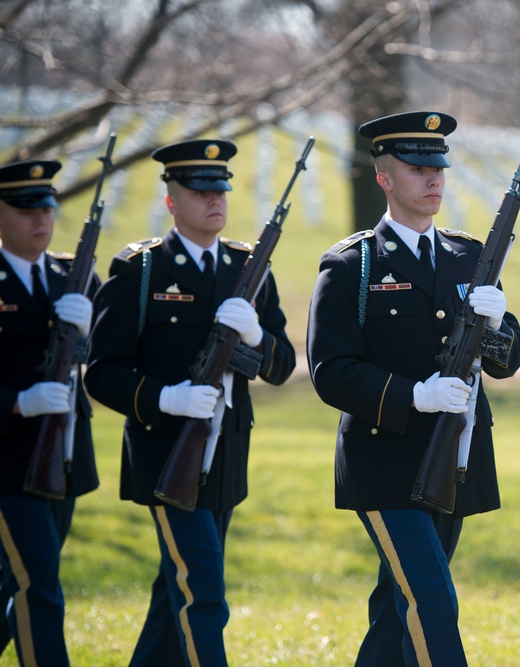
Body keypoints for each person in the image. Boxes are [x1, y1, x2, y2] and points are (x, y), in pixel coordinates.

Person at [307, 111, 520, 666]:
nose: (433, 178)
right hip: (384, 464)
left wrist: (500, 328)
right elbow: (330, 370)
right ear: (383, 177)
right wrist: (414, 395)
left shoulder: (468, 256)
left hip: (453, 457)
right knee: (431, 599)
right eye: (416, 167)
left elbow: (507, 360)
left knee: (396, 608)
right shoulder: (350, 265)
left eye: (438, 166)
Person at [84, 139, 296, 666]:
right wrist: (167, 398)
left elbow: (283, 365)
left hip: (224, 456)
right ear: (171, 201)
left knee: (175, 589)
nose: (214, 200)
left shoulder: (250, 269)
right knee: (201, 584)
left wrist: (255, 340)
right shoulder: (143, 270)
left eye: (220, 188)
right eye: (199, 191)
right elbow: (103, 373)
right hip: (164, 456)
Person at [0, 158, 100, 666]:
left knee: (12, 580)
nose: (40, 218)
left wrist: (88, 333)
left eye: (47, 207)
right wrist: (16, 401)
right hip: (7, 461)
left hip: (61, 454)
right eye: (24, 208)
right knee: (39, 579)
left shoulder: (73, 276)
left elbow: (107, 358)